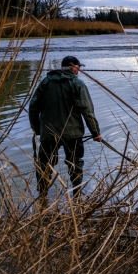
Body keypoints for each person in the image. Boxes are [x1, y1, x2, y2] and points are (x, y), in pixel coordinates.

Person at [29, 56, 102, 206]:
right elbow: (87, 110)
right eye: (78, 68)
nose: (79, 71)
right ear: (73, 67)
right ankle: (77, 198)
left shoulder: (45, 82)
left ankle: (42, 199)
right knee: (75, 164)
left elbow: (33, 107)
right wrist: (95, 133)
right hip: (73, 135)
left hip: (48, 134)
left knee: (44, 165)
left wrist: (38, 129)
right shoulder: (77, 84)